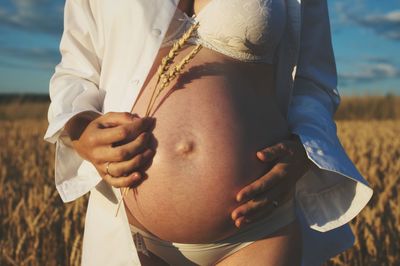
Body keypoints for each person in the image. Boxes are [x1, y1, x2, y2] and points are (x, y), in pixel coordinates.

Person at [43, 0, 373, 265]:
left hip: (259, 234)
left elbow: (314, 84)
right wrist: (80, 127)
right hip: (132, 233)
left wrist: (305, 150)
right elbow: (75, 71)